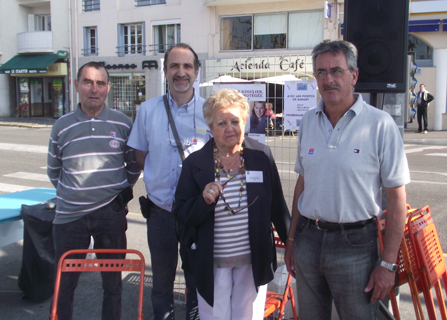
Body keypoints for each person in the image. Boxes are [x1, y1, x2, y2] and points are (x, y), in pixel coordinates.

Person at [284, 40, 410, 320]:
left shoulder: (380, 124)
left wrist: (388, 265)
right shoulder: (307, 122)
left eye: (336, 71)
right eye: (321, 72)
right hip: (308, 240)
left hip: (356, 246)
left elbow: (397, 198)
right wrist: (292, 239)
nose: (328, 79)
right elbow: (302, 184)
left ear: (354, 76)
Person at [173, 88, 290, 320]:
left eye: (235, 121)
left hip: (253, 261)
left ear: (244, 122)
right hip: (212, 263)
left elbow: (277, 205)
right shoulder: (195, 164)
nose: (229, 128)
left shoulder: (261, 157)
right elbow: (181, 213)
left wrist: (293, 245)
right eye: (221, 123)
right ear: (210, 128)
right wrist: (203, 201)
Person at [47, 61, 141, 320]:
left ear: (108, 88)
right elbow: (53, 171)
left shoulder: (123, 123)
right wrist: (75, 195)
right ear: (76, 85)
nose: (94, 89)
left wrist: (116, 196)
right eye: (88, 82)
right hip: (69, 219)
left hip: (109, 216)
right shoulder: (61, 126)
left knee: (113, 285)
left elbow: (133, 166)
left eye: (100, 83)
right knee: (64, 286)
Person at [127, 43, 210, 320]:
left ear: (196, 72)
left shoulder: (211, 112)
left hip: (196, 214)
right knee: (161, 284)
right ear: (165, 71)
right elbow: (140, 157)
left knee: (196, 283)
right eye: (174, 66)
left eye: (187, 66)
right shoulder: (147, 111)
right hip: (160, 213)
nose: (181, 72)